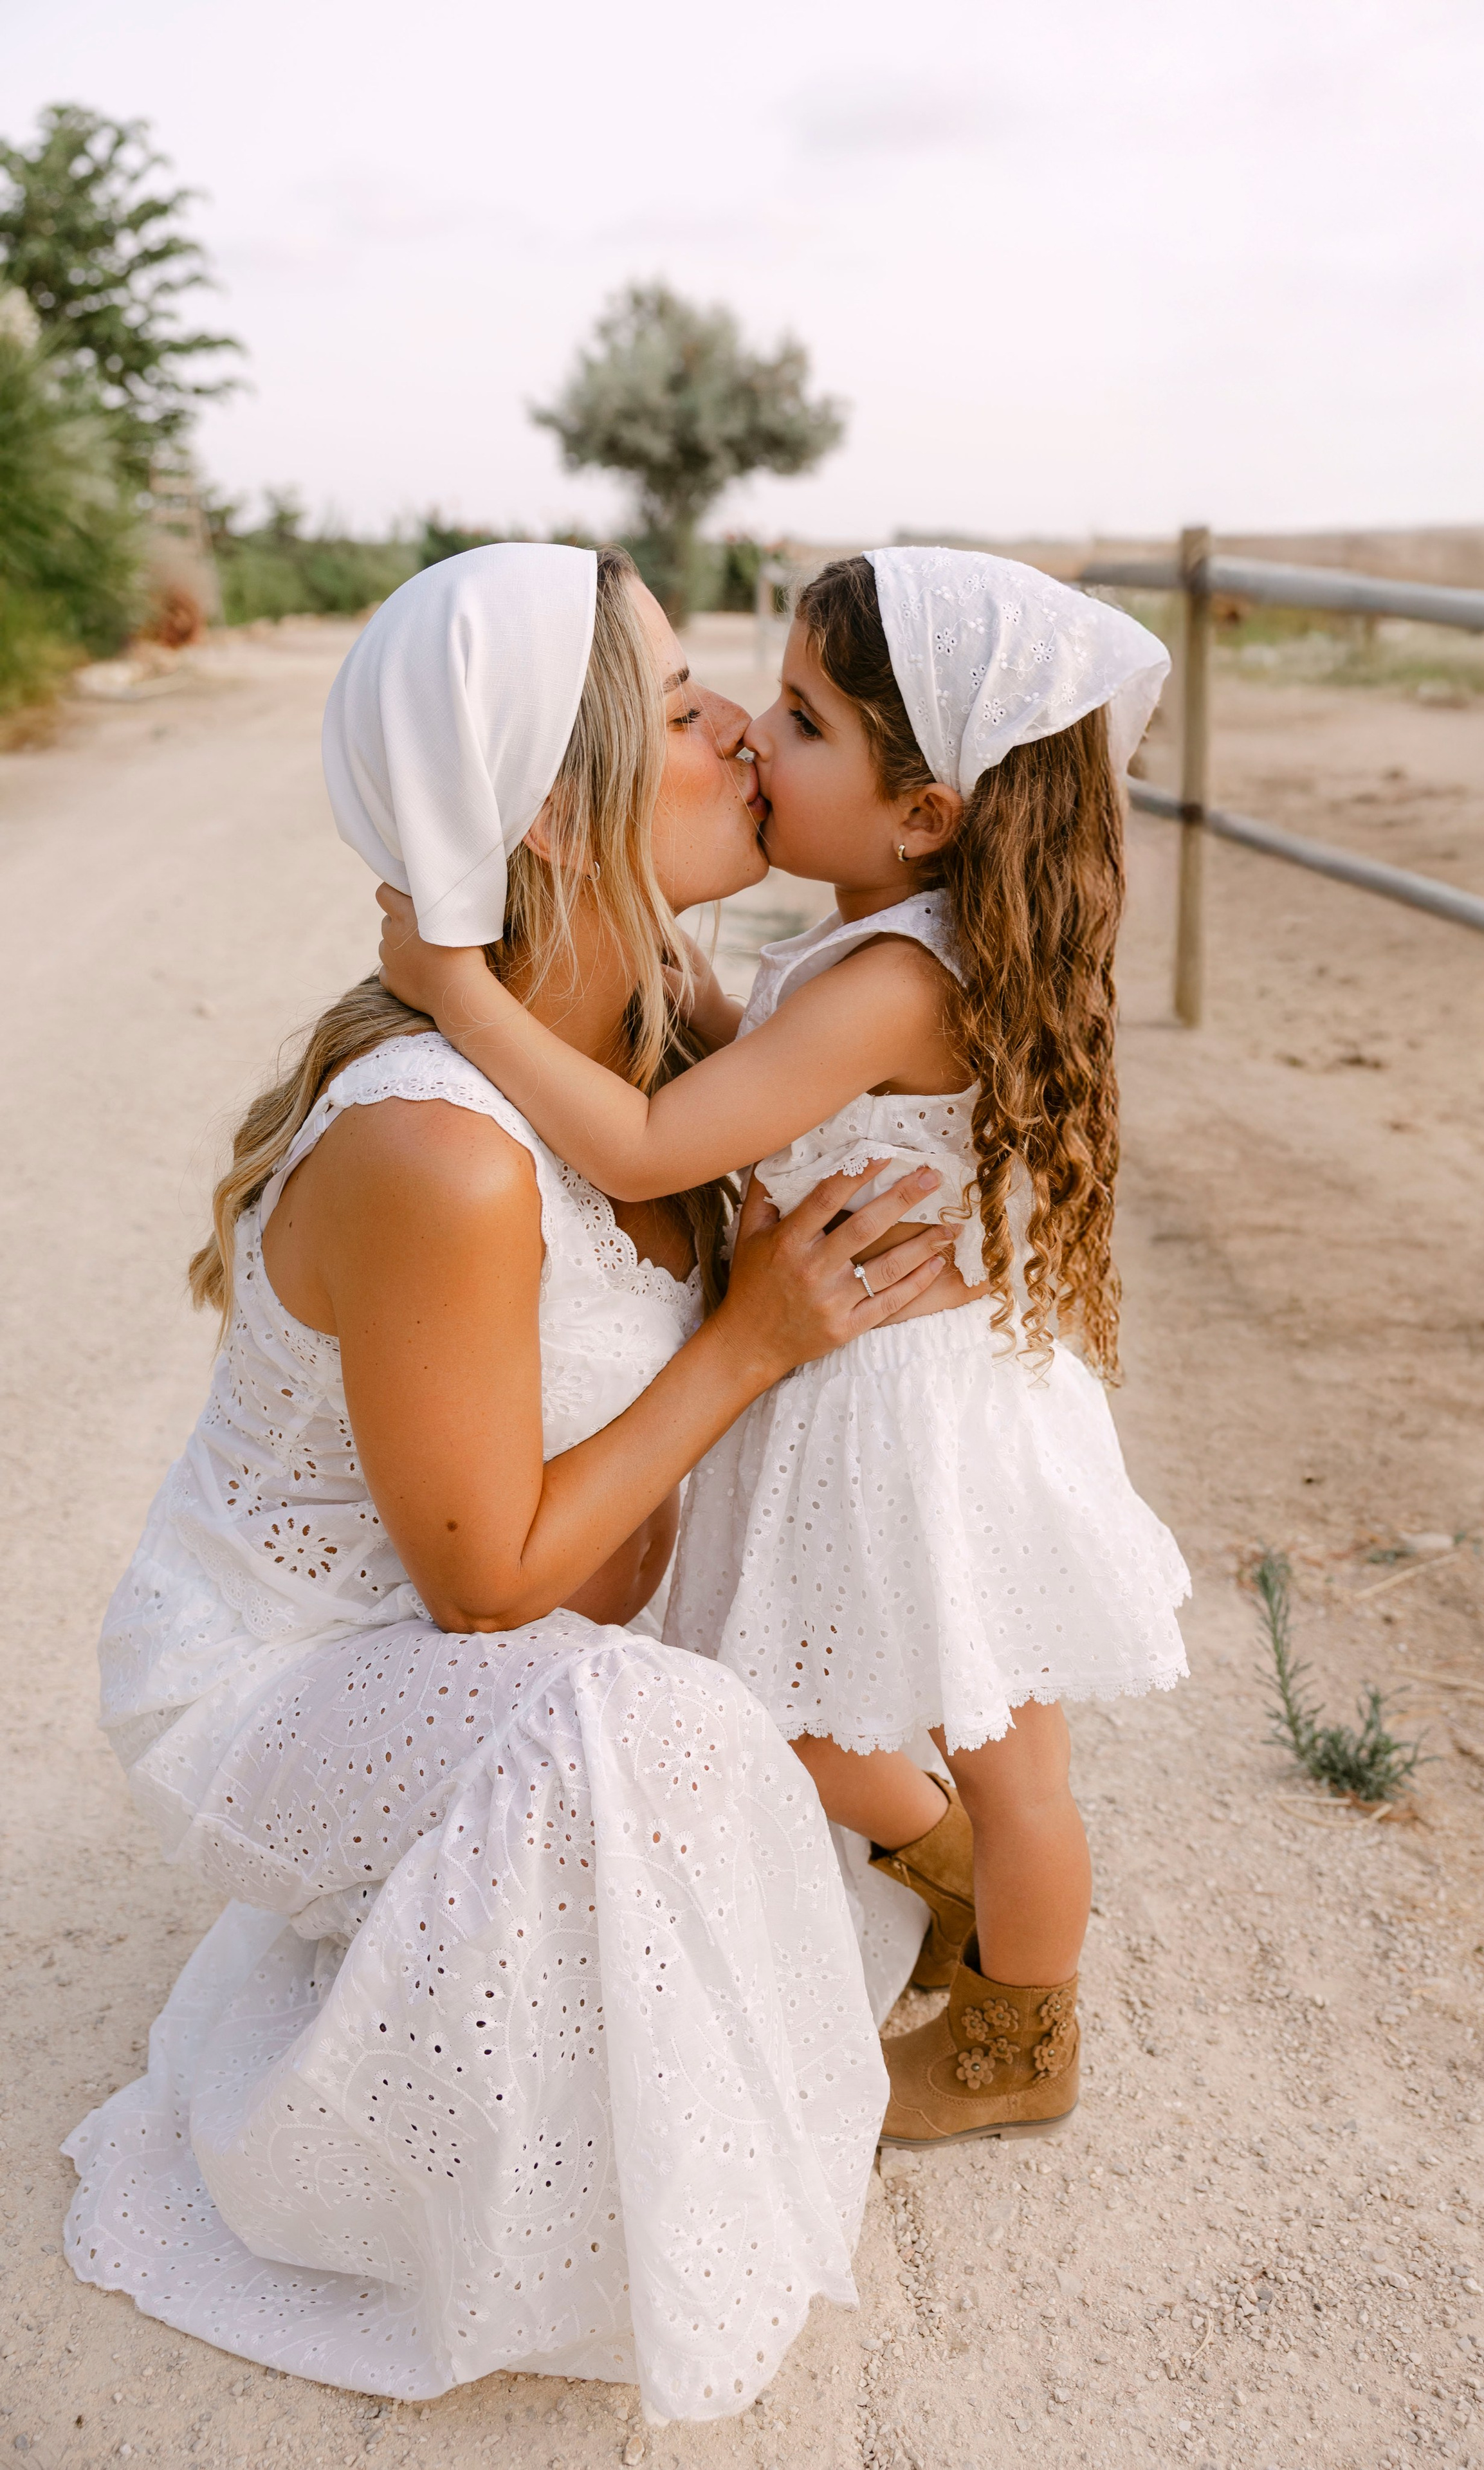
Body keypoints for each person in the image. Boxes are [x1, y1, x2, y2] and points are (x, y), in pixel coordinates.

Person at [62, 544, 958, 2419]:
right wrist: (749, 1343)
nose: (742, 730)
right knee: (651, 1735)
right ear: (554, 810)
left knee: (807, 1605)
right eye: (685, 705)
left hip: (525, 1617)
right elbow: (485, 1590)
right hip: (289, 1684)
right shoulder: (442, 1152)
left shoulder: (662, 1036)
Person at [375, 547, 1193, 2150]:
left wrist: (456, 992)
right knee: (795, 1708)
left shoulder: (897, 976)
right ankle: (952, 1881)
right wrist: (664, 966)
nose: (754, 732)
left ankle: (1021, 2030)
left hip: (923, 1417)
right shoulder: (874, 943)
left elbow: (650, 1143)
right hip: (861, 1394)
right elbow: (761, 1069)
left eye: (805, 722)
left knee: (1007, 1760)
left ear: (924, 813)